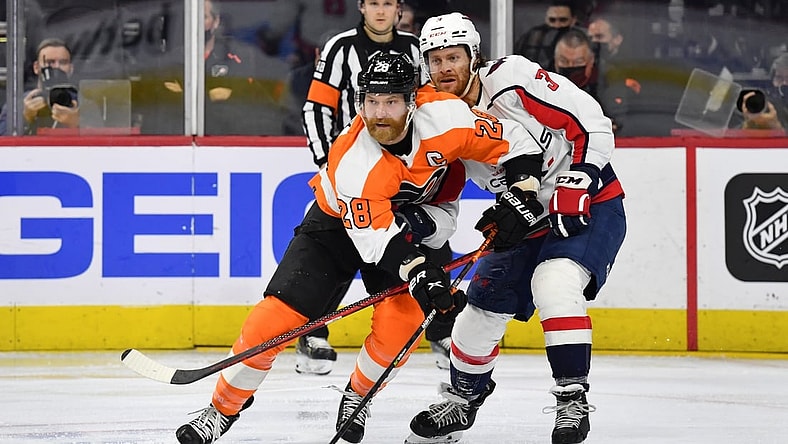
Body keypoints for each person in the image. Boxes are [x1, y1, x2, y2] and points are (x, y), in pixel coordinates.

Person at [174, 51, 545, 444]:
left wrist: (523, 194)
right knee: (272, 322)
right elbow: (377, 242)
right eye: (371, 101)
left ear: (412, 102)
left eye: (391, 102)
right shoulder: (354, 159)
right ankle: (222, 408)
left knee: (401, 326)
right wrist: (420, 272)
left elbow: (517, 142)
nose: (379, 114)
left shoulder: (448, 118)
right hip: (336, 224)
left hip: (415, 222)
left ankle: (358, 395)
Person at [406, 13, 626, 444]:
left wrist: (579, 178)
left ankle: (572, 398)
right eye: (436, 60)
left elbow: (592, 124)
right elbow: (444, 200)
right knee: (479, 311)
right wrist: (418, 228)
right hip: (524, 218)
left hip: (590, 204)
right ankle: (462, 400)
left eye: (454, 57)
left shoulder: (511, 79)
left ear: (473, 56)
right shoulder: (437, 118)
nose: (445, 68)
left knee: (554, 283)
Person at [301, 0, 456, 373]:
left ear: (398, 8)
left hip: (405, 170)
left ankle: (442, 330)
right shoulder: (341, 47)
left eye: (388, 3)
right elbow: (317, 107)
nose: (381, 11)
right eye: (374, 3)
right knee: (336, 244)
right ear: (361, 7)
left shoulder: (414, 47)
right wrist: (329, 165)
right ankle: (314, 334)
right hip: (352, 169)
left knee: (428, 244)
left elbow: (431, 105)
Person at [0, 38, 79, 135]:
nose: (57, 67)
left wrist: (77, 124)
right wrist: (25, 118)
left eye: (63, 62)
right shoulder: (17, 105)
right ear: (36, 67)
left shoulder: (83, 104)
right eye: (50, 62)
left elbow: (96, 135)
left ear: (71, 68)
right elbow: (3, 139)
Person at [513, 0, 581, 70]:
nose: (557, 25)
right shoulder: (532, 36)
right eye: (552, 20)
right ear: (546, 19)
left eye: (563, 20)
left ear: (573, 20)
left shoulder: (581, 38)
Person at [740, 53, 788, 132]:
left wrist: (776, 128)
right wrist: (750, 123)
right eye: (779, 78)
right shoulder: (765, 107)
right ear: (772, 80)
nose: (785, 83)